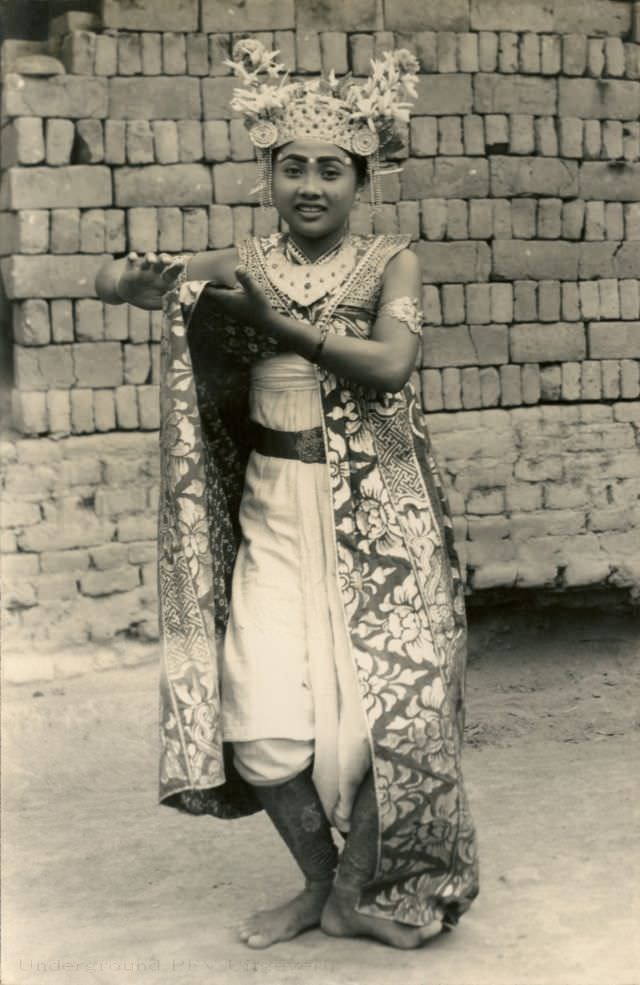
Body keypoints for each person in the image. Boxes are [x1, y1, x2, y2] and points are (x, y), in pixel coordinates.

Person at [96, 40, 479, 950]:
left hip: (384, 514)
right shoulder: (240, 265)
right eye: (293, 166)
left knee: (401, 705)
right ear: (269, 173)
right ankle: (319, 883)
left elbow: (391, 365)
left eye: (333, 169)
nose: (312, 184)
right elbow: (108, 278)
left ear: (363, 178)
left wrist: (279, 327)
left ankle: (354, 890)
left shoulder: (393, 263)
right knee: (259, 708)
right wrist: (141, 280)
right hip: (274, 511)